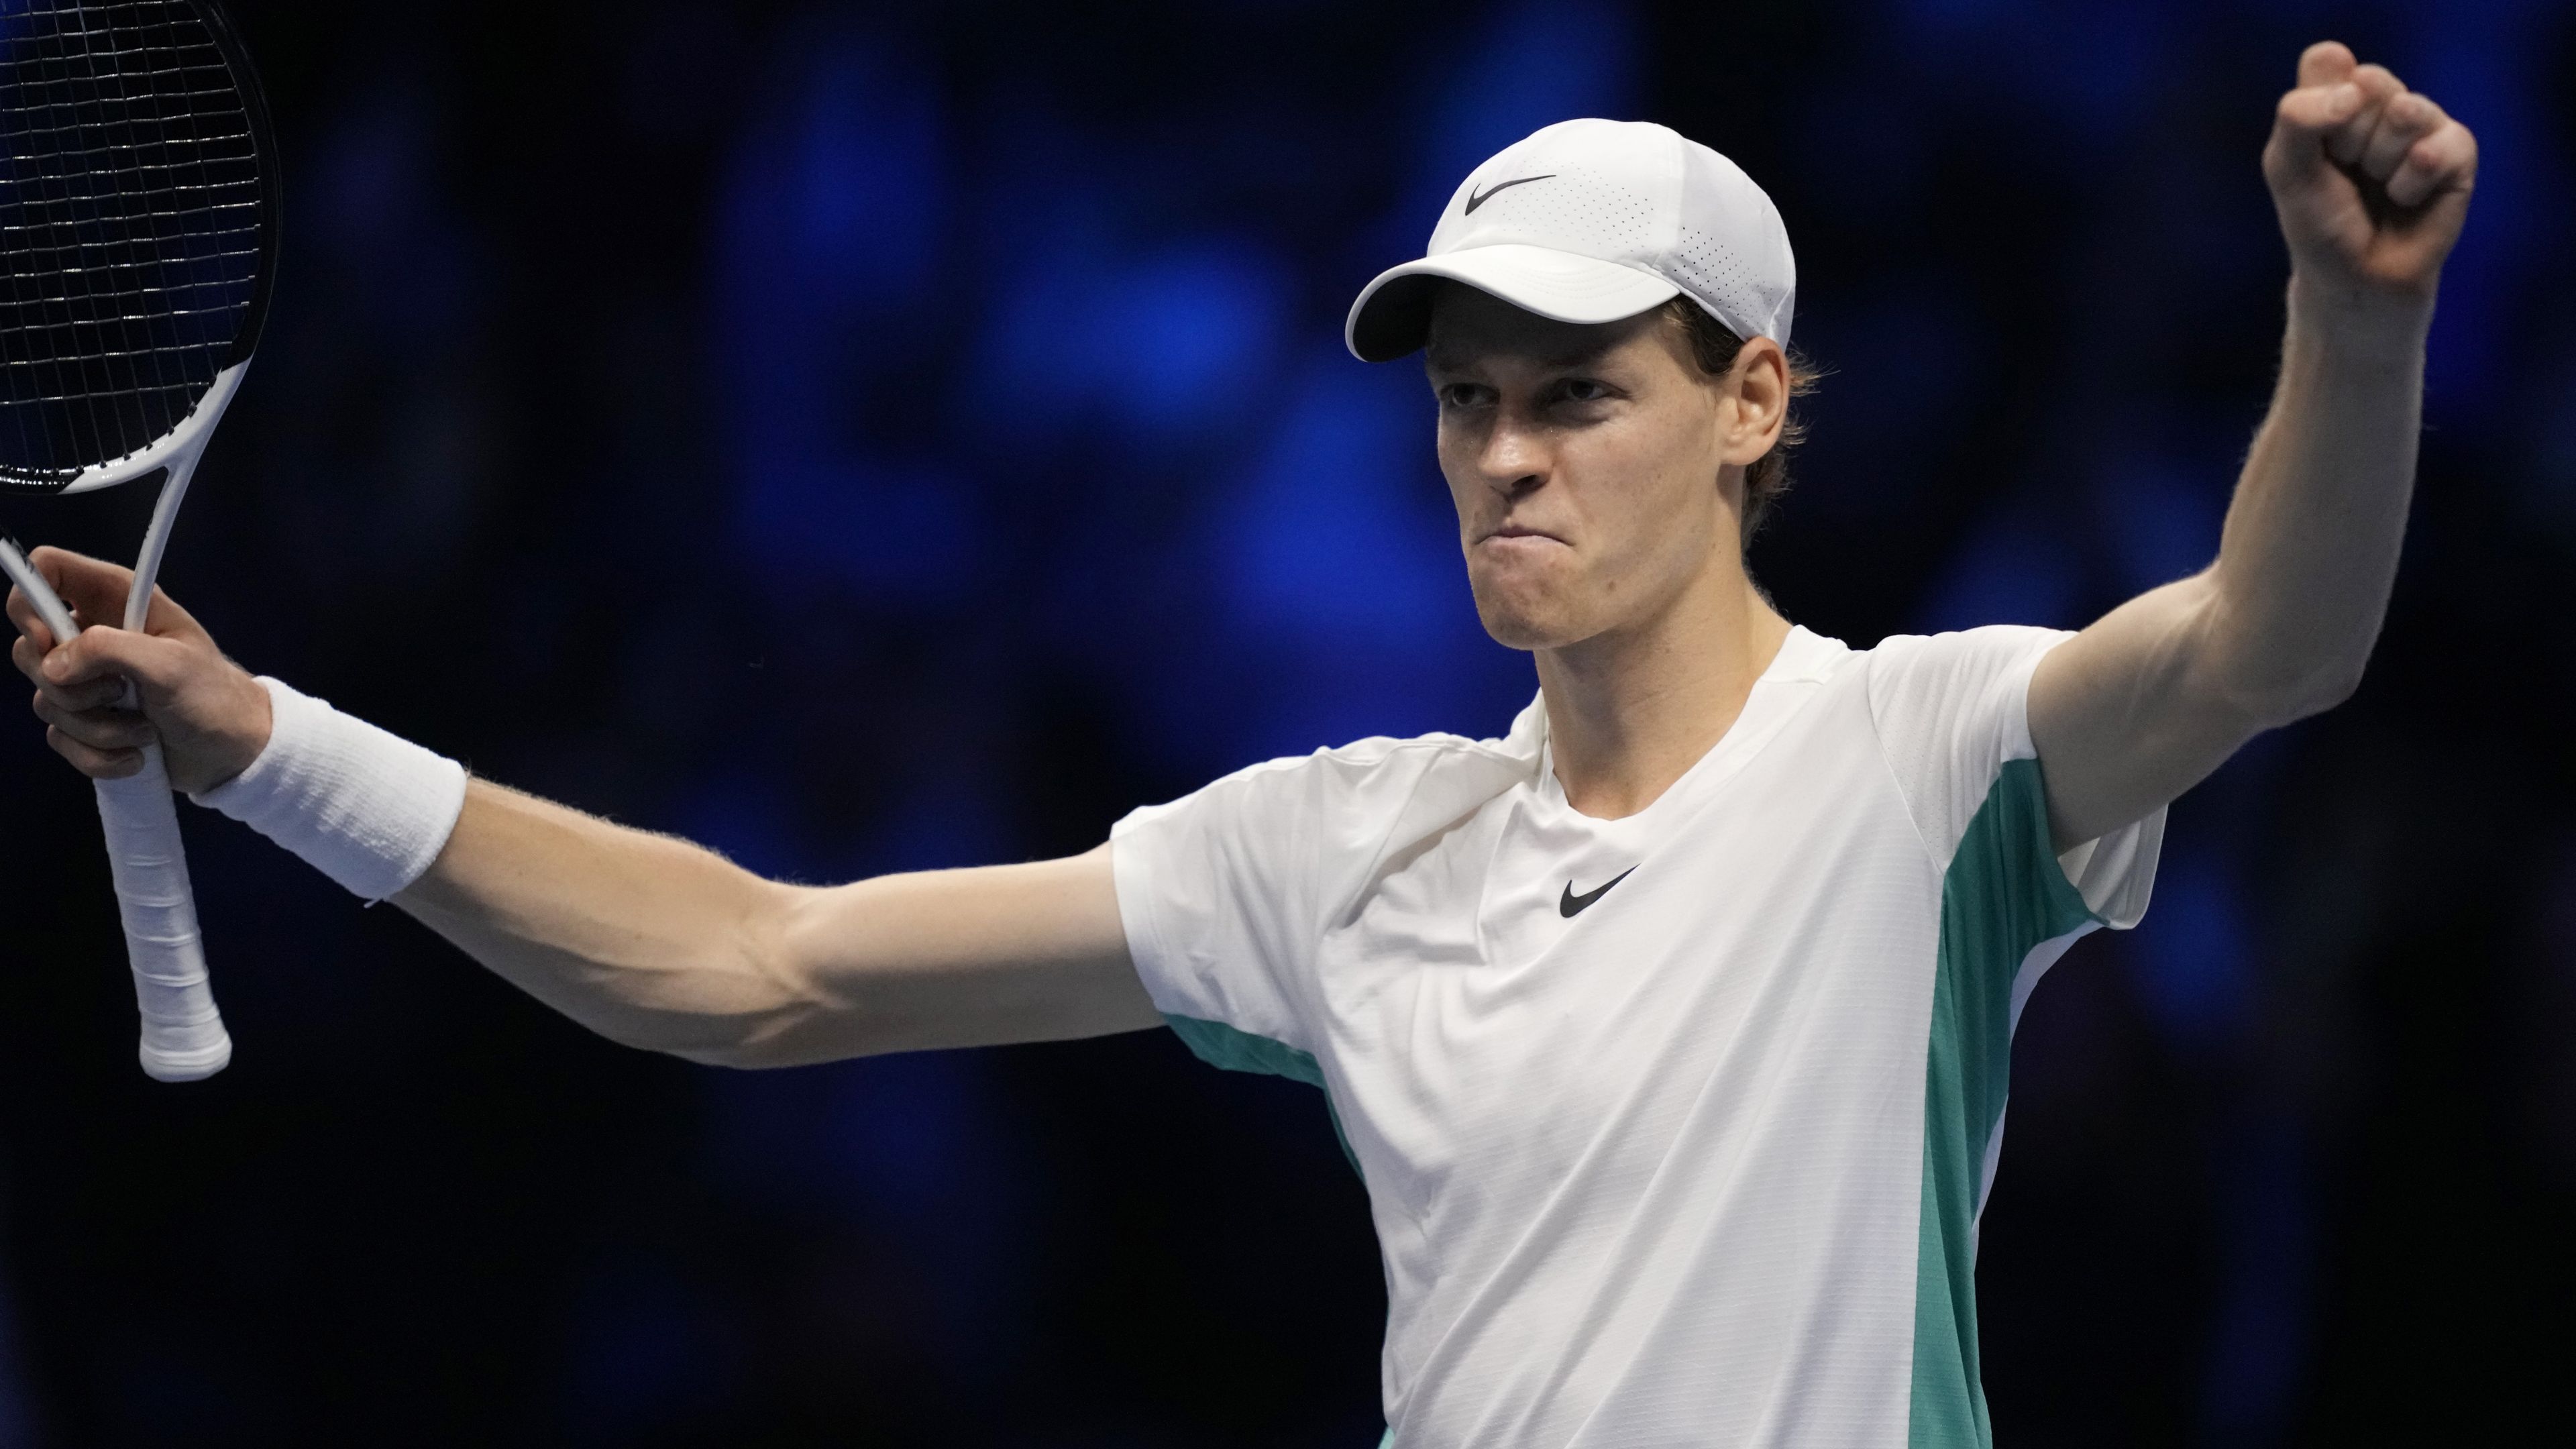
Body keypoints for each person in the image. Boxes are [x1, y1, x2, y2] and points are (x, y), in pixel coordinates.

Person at [7, 40, 2475, 1449]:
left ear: (1751, 406)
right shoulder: (1345, 851)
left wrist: (2352, 333)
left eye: (1582, 396)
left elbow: (2275, 638)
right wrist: (258, 742)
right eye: (1472, 403)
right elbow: (746, 965)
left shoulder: (1926, 767)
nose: (1507, 454)